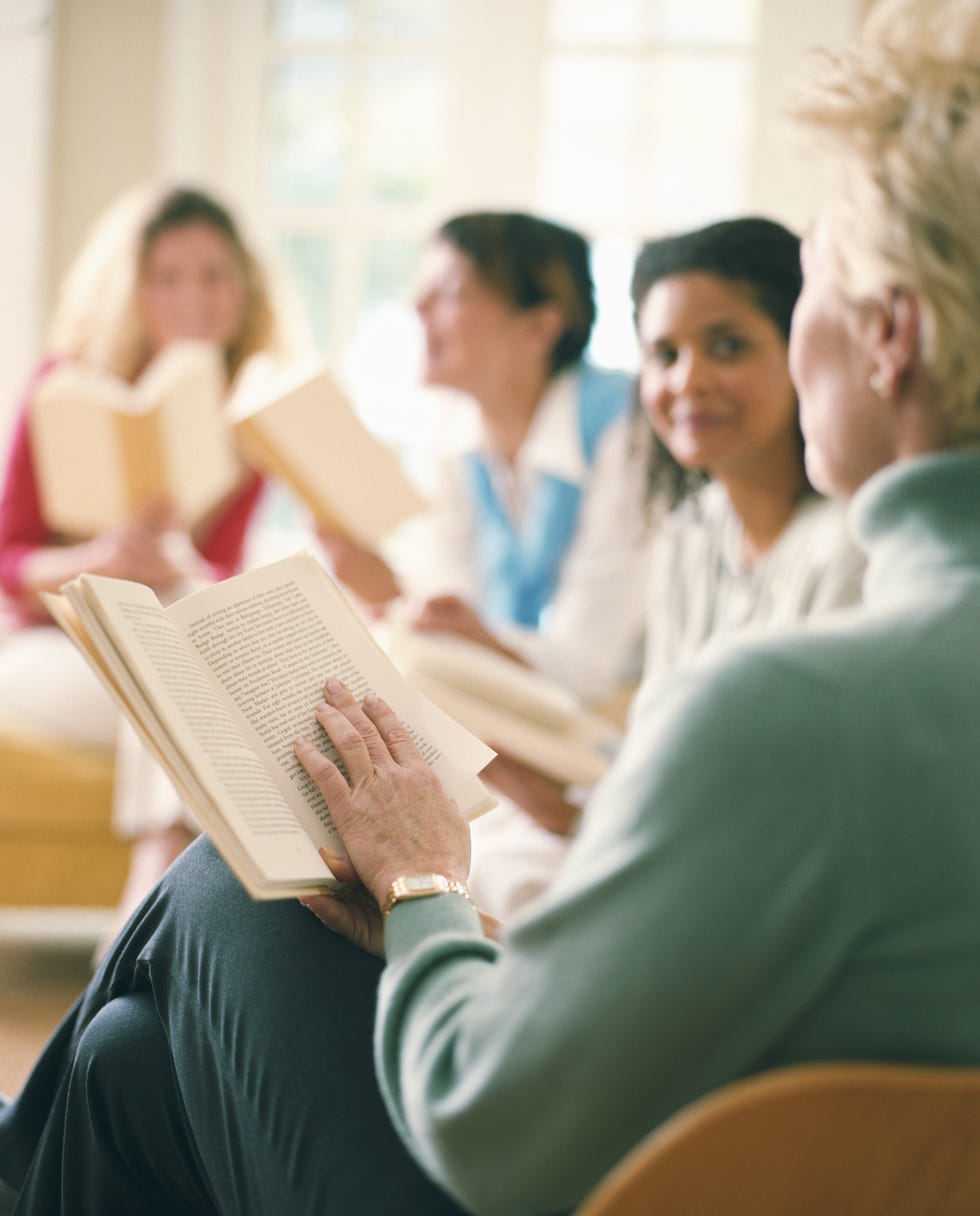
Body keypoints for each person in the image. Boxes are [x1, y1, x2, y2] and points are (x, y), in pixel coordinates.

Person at [3, 1, 980, 1211]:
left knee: (219, 882)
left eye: (809, 287)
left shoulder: (798, 705)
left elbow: (492, 1121)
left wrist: (422, 890)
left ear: (888, 334)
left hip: (584, 1175)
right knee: (129, 1062)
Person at [466, 216, 866, 917]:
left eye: (729, 346)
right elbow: (664, 752)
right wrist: (564, 802)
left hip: (763, 892)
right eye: (664, 354)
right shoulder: (688, 536)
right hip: (670, 851)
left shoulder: (846, 549)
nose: (689, 381)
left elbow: (794, 809)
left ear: (800, 350)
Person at [0, 184, 291, 931]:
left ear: (244, 289)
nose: (194, 298)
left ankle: (149, 879)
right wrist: (101, 557)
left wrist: (173, 563)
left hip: (150, 649)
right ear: (134, 292)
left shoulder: (245, 420)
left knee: (167, 637)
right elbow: (10, 559)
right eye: (168, 278)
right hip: (47, 650)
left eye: (214, 275)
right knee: (167, 648)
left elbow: (218, 580)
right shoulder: (61, 388)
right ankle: (153, 888)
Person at [319, 210, 652, 706]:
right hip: (516, 709)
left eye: (451, 292)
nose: (416, 306)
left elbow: (591, 667)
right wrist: (389, 594)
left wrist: (454, 627)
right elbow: (455, 611)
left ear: (540, 327)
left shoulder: (626, 429)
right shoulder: (456, 432)